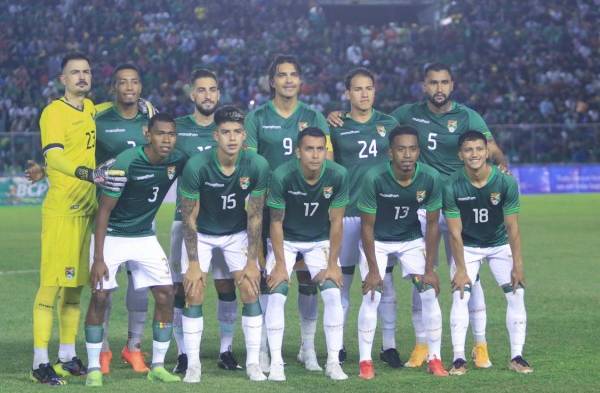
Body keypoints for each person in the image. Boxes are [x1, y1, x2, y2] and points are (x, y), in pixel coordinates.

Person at [328, 62, 508, 368]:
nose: (439, 88)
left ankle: (480, 345)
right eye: (433, 83)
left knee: (468, 275)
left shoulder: (466, 116)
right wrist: (336, 113)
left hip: (454, 205)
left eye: (444, 82)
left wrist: (501, 166)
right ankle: (419, 344)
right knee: (414, 277)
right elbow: (375, 125)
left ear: (452, 85)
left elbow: (491, 149)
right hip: (411, 209)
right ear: (424, 86)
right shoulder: (404, 115)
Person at [31, 52, 126, 386]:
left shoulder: (89, 108)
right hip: (63, 211)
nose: (82, 77)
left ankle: (67, 356)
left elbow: (102, 110)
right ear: (63, 79)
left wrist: (139, 103)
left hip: (88, 210)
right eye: (75, 73)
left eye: (86, 72)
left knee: (75, 289)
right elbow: (53, 157)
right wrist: (87, 172)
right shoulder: (53, 112)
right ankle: (39, 361)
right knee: (51, 287)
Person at [84, 113, 186, 387]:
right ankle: (94, 367)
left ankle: (158, 366)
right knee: (100, 296)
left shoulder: (177, 159)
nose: (167, 139)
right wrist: (98, 257)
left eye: (171, 134)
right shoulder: (127, 162)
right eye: (161, 133)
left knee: (166, 293)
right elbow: (104, 211)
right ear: (147, 135)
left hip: (143, 236)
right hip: (114, 234)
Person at [244, 54, 332, 372]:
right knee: (272, 277)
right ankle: (267, 349)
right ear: (273, 81)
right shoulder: (256, 117)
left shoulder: (314, 116)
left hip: (307, 207)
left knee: (309, 280)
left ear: (300, 80)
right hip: (271, 207)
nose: (289, 80)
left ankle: (307, 349)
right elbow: (251, 163)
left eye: (294, 74)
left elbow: (327, 159)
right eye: (282, 75)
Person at [178, 106, 270, 383]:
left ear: (244, 136)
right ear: (215, 135)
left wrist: (253, 261)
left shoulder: (257, 165)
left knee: (251, 290)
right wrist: (194, 263)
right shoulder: (197, 165)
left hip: (235, 233)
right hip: (202, 233)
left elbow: (254, 216)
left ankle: (253, 363)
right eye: (226, 132)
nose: (232, 138)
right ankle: (193, 365)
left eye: (238, 132)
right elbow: (189, 216)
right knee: (193, 292)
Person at [356, 126, 448, 379]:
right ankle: (365, 362)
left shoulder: (430, 177)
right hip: (378, 241)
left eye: (412, 149)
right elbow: (367, 227)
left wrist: (430, 269)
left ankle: (435, 358)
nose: (407, 155)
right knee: (371, 295)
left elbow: (431, 225)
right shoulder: (373, 177)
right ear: (390, 153)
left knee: (429, 293)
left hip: (410, 240)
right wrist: (374, 271)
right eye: (401, 149)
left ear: (418, 151)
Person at [169, 69, 243, 374]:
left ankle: (226, 349)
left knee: (226, 286)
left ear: (219, 94)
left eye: (213, 89)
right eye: (201, 90)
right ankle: (184, 353)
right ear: (191, 94)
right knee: (182, 288)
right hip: (186, 223)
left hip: (227, 224)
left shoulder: (231, 128)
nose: (207, 95)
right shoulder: (178, 129)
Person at [444, 130, 532, 375]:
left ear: (487, 152)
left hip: (498, 244)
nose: (474, 154)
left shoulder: (505, 182)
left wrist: (518, 263)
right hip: (468, 246)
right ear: (460, 154)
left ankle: (517, 356)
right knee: (460, 294)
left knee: (516, 293)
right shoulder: (451, 184)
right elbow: (454, 232)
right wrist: (460, 269)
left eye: (479, 149)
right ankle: (459, 358)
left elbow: (513, 227)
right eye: (469, 150)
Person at [264, 127, 348, 381]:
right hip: (286, 240)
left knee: (333, 293)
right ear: (298, 152)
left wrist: (332, 263)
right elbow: (275, 222)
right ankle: (277, 362)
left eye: (320, 149)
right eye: (309, 149)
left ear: (325, 151)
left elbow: (336, 222)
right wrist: (280, 264)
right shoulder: (282, 175)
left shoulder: (338, 174)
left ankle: (333, 361)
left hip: (319, 240)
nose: (315, 155)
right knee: (277, 293)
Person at [329, 67, 400, 366]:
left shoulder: (389, 123)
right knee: (342, 283)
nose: (364, 93)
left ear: (375, 90)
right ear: (347, 94)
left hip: (380, 216)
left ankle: (389, 345)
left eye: (369, 88)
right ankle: (340, 346)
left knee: (384, 282)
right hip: (347, 214)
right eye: (357, 89)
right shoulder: (335, 125)